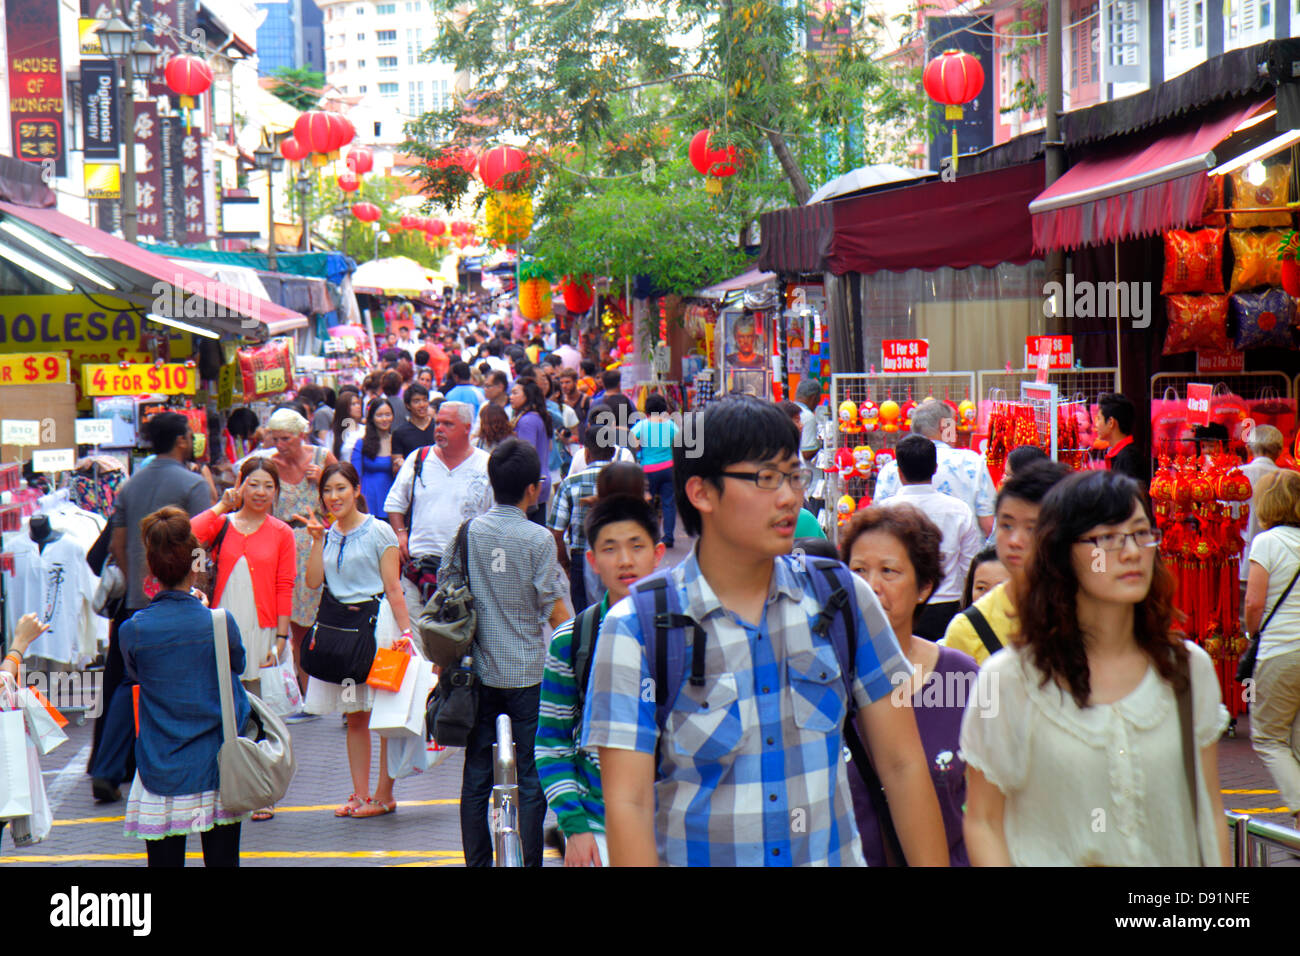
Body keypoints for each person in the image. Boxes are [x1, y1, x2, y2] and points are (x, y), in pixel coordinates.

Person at [583, 396, 947, 866]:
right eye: (766, 478)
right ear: (701, 493)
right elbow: (629, 805)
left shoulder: (842, 600)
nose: (789, 496)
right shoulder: (637, 630)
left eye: (795, 475)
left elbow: (902, 766)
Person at [962, 470, 1231, 865]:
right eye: (1106, 538)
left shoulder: (1187, 669)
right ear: (1060, 554)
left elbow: (1207, 805)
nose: (1131, 552)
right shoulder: (1010, 680)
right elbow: (983, 820)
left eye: (1141, 533)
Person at [442, 439, 571, 866]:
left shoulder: (469, 532)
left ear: (492, 483)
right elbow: (551, 604)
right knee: (532, 778)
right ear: (533, 489)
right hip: (529, 675)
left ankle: (477, 862)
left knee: (477, 776)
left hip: (476, 676)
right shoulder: (539, 540)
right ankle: (529, 861)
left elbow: (446, 582)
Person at [840, 504, 977, 866]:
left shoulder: (961, 677)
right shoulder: (824, 678)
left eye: (889, 571)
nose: (871, 586)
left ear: (924, 587)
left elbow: (993, 803)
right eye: (858, 571)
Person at [537, 494, 666, 866]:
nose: (625, 560)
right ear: (591, 560)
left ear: (657, 553)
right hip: (599, 828)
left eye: (636, 546)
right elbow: (552, 741)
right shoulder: (572, 639)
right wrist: (574, 827)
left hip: (676, 829)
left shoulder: (685, 631)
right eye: (610, 549)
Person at [120, 507, 252, 866]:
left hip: (160, 765)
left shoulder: (133, 629)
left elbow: (136, 675)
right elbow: (236, 665)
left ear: (152, 568)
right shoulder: (219, 622)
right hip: (217, 765)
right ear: (195, 563)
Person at [92, 412, 213, 804]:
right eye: (190, 435)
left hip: (136, 606)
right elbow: (201, 544)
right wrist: (193, 587)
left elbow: (115, 543)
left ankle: (108, 768)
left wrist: (142, 585)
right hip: (181, 601)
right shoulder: (193, 484)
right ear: (181, 441)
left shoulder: (129, 486)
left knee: (130, 685)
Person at [304, 463, 414, 818]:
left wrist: (407, 633)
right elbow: (312, 582)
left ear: (356, 489)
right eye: (327, 490)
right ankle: (360, 793)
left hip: (380, 632)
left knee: (382, 716)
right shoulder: (328, 532)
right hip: (343, 636)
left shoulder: (379, 531)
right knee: (355, 715)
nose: (333, 497)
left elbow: (393, 587)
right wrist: (317, 540)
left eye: (340, 489)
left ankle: (383, 796)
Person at [940, 460, 1070, 665]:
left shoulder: (1095, 611)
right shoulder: (967, 630)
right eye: (1006, 525)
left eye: (1031, 528)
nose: (1015, 541)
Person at [256, 408, 337, 709]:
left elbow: (344, 501)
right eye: (275, 438)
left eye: (286, 438)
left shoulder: (321, 459)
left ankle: (329, 686)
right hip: (282, 545)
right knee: (293, 624)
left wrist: (324, 482)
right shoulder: (269, 464)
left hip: (318, 544)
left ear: (301, 435)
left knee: (323, 619)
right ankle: (305, 692)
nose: (280, 444)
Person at [385, 401, 494, 613]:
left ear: (467, 428)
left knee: (458, 638)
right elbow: (395, 502)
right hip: (419, 566)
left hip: (465, 570)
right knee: (417, 639)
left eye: (448, 424)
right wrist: (400, 534)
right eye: (438, 423)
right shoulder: (419, 459)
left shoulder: (486, 465)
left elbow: (495, 515)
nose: (439, 429)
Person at [881, 435, 982, 641]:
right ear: (935, 468)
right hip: (946, 608)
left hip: (899, 604)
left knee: (904, 670)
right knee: (942, 670)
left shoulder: (883, 513)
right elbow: (969, 567)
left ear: (899, 472)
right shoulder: (959, 510)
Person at [1243, 469, 1300, 828]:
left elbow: (1253, 603)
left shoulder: (1266, 543)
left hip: (1280, 648)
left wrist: (1252, 634)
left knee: (1268, 737)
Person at [874, 400, 998, 536]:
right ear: (944, 427)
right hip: (965, 554)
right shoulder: (972, 462)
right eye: (953, 425)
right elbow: (988, 524)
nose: (955, 432)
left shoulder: (891, 469)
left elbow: (879, 523)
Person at [549, 427, 619, 613]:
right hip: (620, 557)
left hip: (581, 558)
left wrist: (568, 567)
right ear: (612, 452)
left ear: (586, 453)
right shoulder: (625, 481)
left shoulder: (570, 484)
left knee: (585, 623)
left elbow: (556, 534)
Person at [1239, 424, 1285, 615]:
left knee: (1242, 617)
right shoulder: (1286, 479)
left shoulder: (1234, 476)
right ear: (1279, 451)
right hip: (1278, 563)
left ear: (1249, 448)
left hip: (1241, 562)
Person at [628, 394, 679, 548]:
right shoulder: (671, 425)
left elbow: (633, 442)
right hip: (669, 468)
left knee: (647, 503)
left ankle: (649, 534)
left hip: (648, 470)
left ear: (646, 409)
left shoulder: (641, 426)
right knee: (668, 503)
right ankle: (668, 537)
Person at [508, 378, 553, 525]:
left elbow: (526, 454)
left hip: (531, 485)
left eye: (515, 393)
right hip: (540, 481)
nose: (511, 397)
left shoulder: (527, 421)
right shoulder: (538, 417)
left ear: (527, 395)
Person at [351, 399, 398, 526]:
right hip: (368, 499)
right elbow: (354, 475)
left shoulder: (397, 442)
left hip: (391, 499)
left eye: (387, 415)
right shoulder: (361, 443)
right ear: (372, 418)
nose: (384, 419)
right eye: (379, 415)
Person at [1096, 393, 1142, 482]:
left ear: (1111, 422)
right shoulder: (1122, 455)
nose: (1096, 425)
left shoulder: (1128, 458)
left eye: (1099, 419)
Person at [392, 383, 437, 466]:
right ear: (408, 405)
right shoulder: (400, 433)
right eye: (416, 401)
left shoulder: (438, 427)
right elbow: (396, 466)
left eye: (425, 400)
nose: (422, 405)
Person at [332, 387, 366, 461]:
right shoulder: (334, 434)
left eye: (358, 403)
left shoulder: (365, 430)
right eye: (353, 404)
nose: (358, 407)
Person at [794, 379, 823, 464]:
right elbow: (806, 453)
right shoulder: (807, 416)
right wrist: (821, 444)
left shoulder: (789, 410)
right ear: (813, 398)